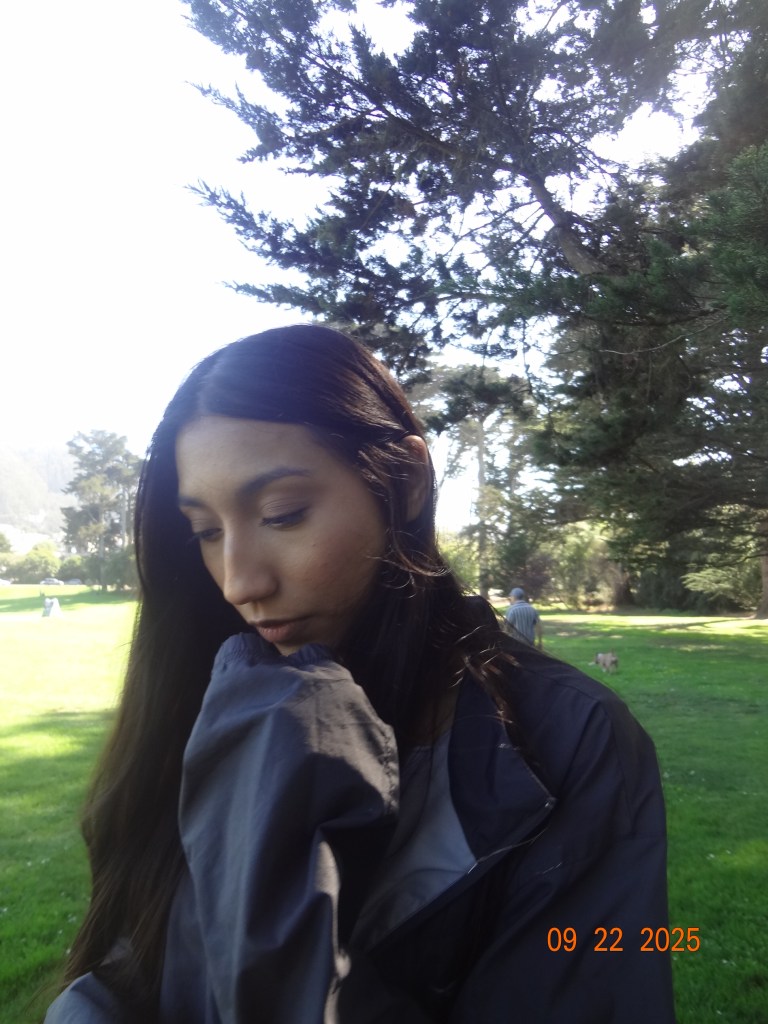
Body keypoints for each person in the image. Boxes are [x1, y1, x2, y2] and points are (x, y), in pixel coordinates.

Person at [45, 325, 675, 1023]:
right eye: (207, 531)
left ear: (404, 482)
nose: (237, 582)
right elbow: (131, 968)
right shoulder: (208, 703)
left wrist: (280, 950)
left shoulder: (569, 741)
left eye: (282, 514)